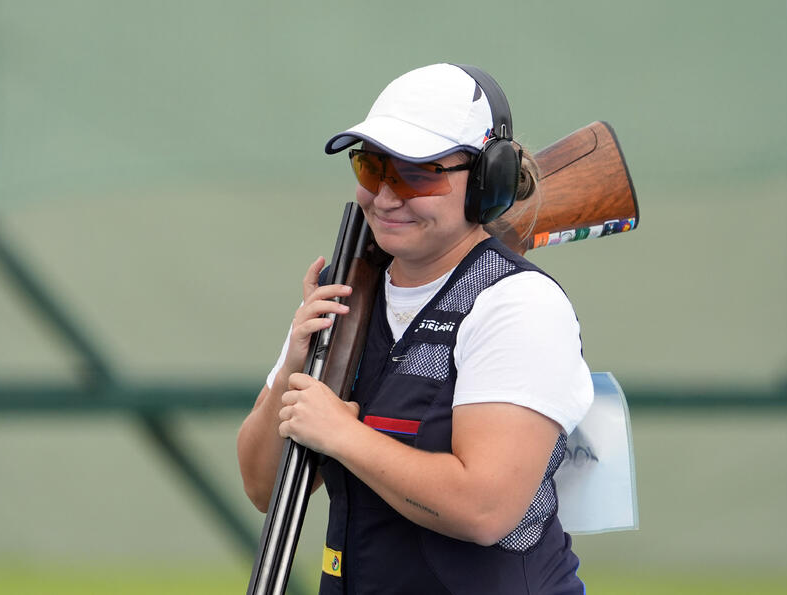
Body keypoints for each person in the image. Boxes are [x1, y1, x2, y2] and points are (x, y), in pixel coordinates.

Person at [237, 63, 594, 594]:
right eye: (371, 168)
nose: (384, 197)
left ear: (486, 180)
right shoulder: (347, 289)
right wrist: (296, 362)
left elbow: (485, 508)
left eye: (417, 173)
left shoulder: (518, 303)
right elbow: (267, 488)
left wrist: (342, 435)